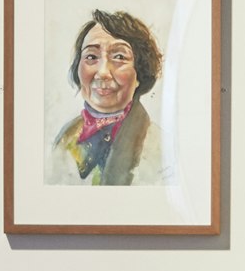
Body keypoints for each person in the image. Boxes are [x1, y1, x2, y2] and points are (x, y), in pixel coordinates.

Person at [50, 9, 164, 185]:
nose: (102, 73)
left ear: (140, 73)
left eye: (119, 57)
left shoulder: (159, 148)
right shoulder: (66, 137)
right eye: (91, 56)